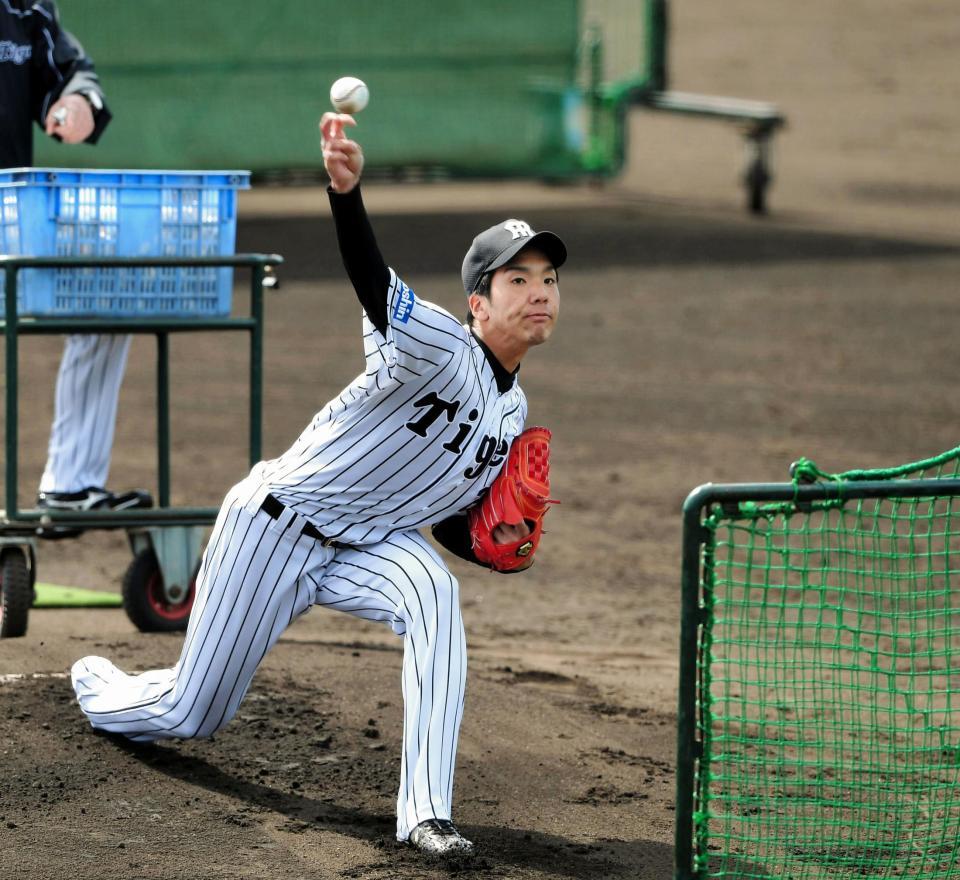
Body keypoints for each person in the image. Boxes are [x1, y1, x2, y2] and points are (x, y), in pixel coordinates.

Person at [70, 111, 566, 859]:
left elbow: (447, 517)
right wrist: (346, 194)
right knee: (192, 712)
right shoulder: (435, 342)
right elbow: (372, 281)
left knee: (434, 597)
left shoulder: (513, 410)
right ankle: (98, 688)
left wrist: (493, 542)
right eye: (518, 280)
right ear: (479, 303)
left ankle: (426, 814)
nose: (540, 292)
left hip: (367, 545)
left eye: (549, 279)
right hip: (275, 524)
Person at [1, 0, 150, 537]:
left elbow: (70, 71)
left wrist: (78, 98)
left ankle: (70, 483)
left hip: (9, 217)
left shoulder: (24, 10)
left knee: (104, 301)